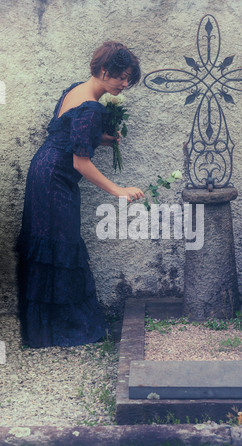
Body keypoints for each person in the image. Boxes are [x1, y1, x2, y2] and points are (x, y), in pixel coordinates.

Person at [16, 41, 144, 348]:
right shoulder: (92, 107)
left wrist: (104, 139)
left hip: (44, 170)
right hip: (56, 180)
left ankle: (44, 329)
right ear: (103, 70)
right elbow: (80, 162)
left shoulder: (78, 90)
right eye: (121, 77)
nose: (124, 84)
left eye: (128, 79)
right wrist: (119, 190)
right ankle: (63, 330)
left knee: (53, 248)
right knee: (62, 247)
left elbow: (65, 133)